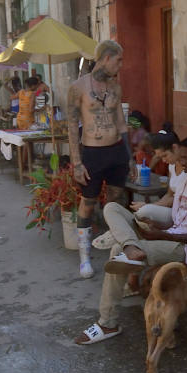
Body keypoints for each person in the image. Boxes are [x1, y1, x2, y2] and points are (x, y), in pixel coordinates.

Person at [75, 135, 187, 344]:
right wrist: (157, 227)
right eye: (181, 158)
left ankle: (108, 323)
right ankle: (131, 244)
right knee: (112, 208)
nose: (182, 163)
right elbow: (177, 222)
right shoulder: (186, 183)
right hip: (172, 236)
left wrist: (161, 235)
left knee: (117, 252)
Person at [67, 40, 133, 279]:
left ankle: (113, 251)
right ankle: (84, 256)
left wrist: (130, 157)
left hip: (116, 152)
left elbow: (121, 123)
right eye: (118, 60)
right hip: (92, 153)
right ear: (105, 58)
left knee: (115, 201)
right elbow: (73, 126)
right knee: (88, 201)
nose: (121, 65)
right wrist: (77, 162)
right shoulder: (78, 87)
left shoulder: (116, 87)